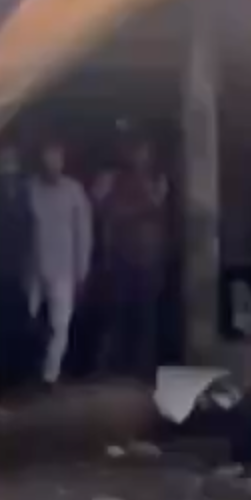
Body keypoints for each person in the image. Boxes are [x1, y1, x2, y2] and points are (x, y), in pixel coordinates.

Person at [92, 137, 170, 382]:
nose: (138, 156)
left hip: (150, 256)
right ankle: (118, 367)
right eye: (135, 150)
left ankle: (144, 368)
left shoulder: (158, 179)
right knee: (119, 312)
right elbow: (105, 210)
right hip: (121, 255)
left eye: (143, 150)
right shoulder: (113, 179)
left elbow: (158, 207)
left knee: (147, 315)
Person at [27, 140, 94, 387]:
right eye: (47, 158)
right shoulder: (31, 189)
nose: (51, 164)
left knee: (59, 325)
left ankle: (49, 377)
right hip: (33, 268)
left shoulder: (73, 191)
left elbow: (83, 233)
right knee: (29, 321)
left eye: (56, 158)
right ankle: (30, 369)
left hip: (63, 268)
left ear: (63, 161)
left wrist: (82, 270)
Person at [0, 144, 39, 397]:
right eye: (4, 163)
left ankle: (18, 380)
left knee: (19, 323)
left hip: (17, 268)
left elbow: (30, 229)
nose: (8, 168)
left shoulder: (24, 193)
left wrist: (30, 262)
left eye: (11, 162)